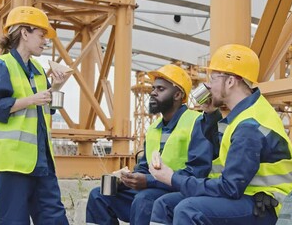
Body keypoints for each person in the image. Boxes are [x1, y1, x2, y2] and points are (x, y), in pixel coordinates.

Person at [149, 44, 292, 225]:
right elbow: (222, 147)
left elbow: (230, 188)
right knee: (164, 204)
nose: (208, 86)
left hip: (265, 205)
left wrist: (172, 178)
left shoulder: (249, 126)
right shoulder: (245, 113)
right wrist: (211, 114)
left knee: (189, 210)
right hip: (247, 196)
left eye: (213, 79)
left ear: (230, 81)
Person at [86, 64, 220, 225]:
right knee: (99, 195)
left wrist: (149, 181)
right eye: (153, 88)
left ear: (178, 95)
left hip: (183, 191)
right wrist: (128, 179)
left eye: (161, 89)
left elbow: (197, 173)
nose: (153, 92)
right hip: (156, 188)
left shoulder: (198, 123)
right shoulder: (154, 128)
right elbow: (144, 167)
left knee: (145, 199)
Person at [0, 6, 70, 224]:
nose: (45, 41)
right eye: (42, 35)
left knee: (54, 218)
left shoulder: (38, 70)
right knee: (13, 220)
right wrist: (31, 100)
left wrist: (56, 87)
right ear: (24, 32)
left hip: (41, 161)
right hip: (12, 162)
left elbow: (45, 106)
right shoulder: (2, 66)